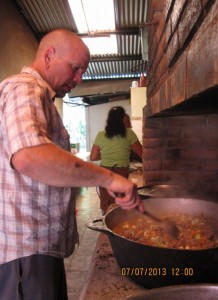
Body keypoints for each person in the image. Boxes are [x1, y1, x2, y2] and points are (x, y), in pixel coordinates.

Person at [0, 29, 144, 300]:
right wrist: (108, 178)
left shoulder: (41, 97)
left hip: (36, 250)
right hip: (25, 253)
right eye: (75, 68)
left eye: (82, 71)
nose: (79, 79)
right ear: (49, 56)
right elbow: (28, 156)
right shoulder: (25, 88)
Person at [90, 106, 143, 214]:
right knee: (119, 201)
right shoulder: (129, 133)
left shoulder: (101, 134)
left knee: (106, 202)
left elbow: (93, 157)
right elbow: (142, 154)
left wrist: (104, 156)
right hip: (121, 172)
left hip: (104, 172)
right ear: (123, 118)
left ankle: (106, 222)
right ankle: (117, 223)